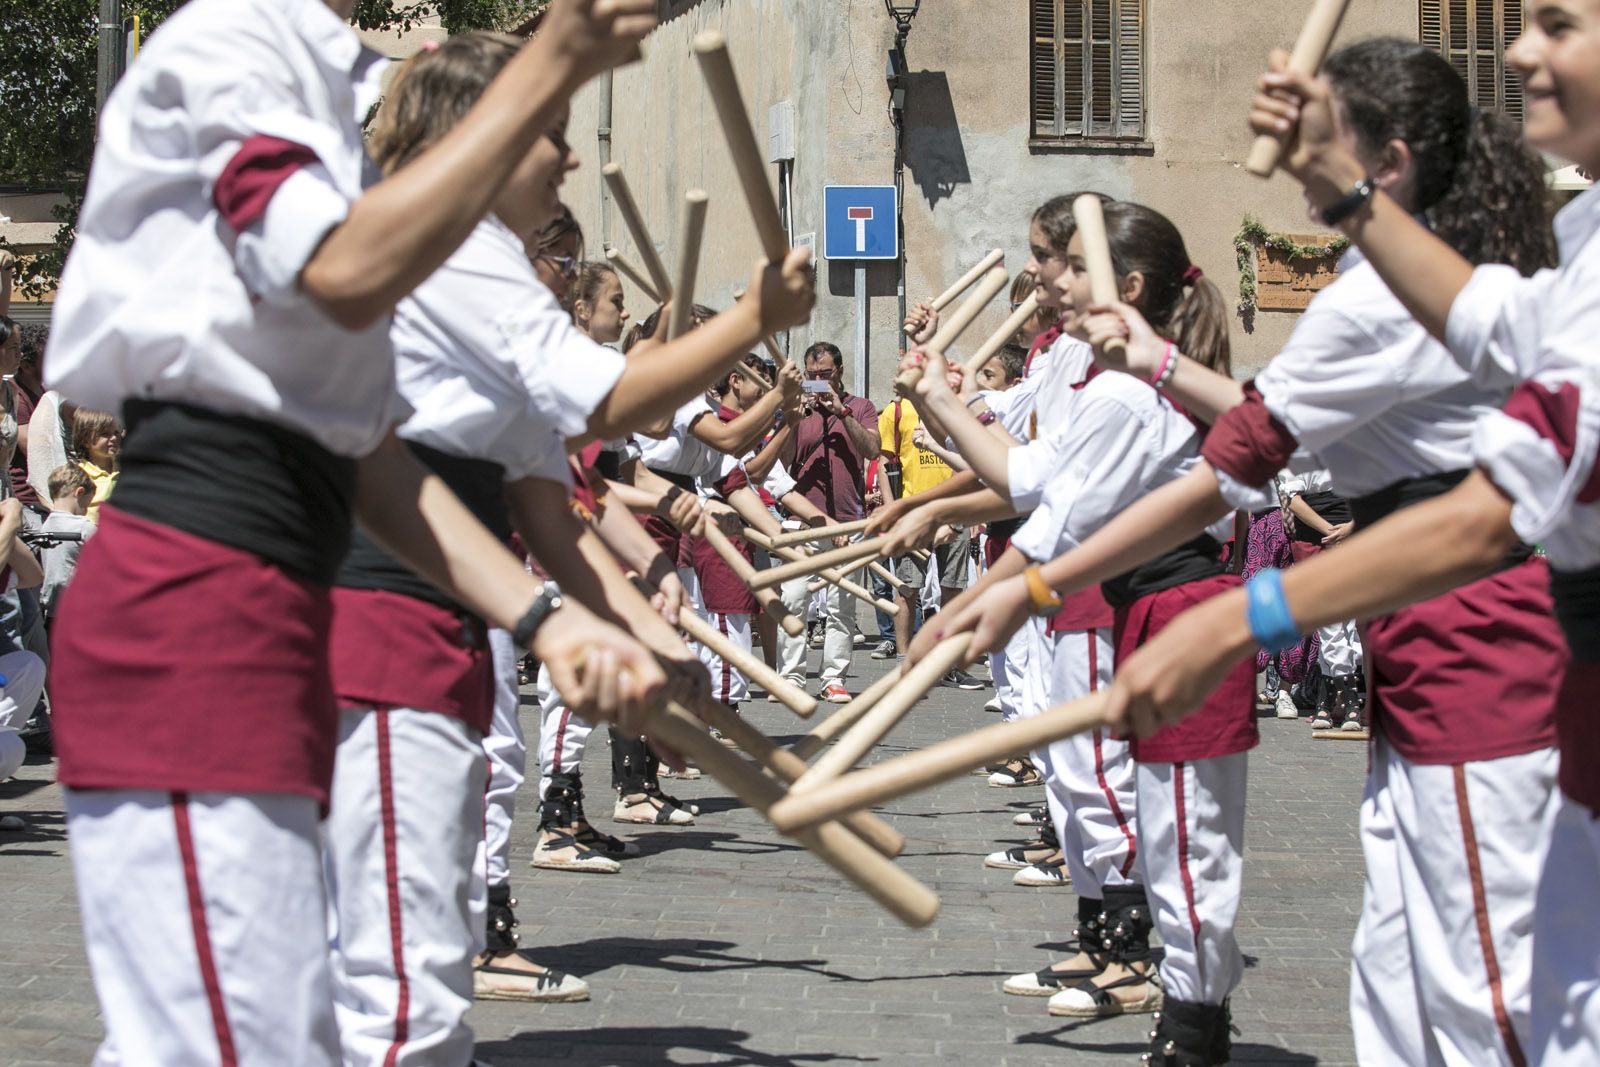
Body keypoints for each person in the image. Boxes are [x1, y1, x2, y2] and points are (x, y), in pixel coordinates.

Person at [42, 0, 668, 1062]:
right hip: (190, 603)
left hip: (279, 616)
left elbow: (375, 463)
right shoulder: (231, 40)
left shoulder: (329, 87)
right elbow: (335, 267)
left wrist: (545, 619)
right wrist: (550, 59)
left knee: (291, 1031)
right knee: (230, 1040)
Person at [945, 39, 1562, 1067]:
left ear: (1387, 162)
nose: (1277, 140)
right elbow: (1258, 430)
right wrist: (1154, 360)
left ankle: (1186, 1011)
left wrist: (1046, 579)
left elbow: (1238, 461)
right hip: (1431, 644)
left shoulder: (1391, 291)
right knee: (1400, 970)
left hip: (1474, 647)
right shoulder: (1420, 276)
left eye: (1319, 125)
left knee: (1471, 985)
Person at [903, 199, 1252, 1057]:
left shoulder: (1132, 393)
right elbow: (1036, 481)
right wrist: (942, 399)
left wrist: (984, 601)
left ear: (1126, 289)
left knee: (1184, 842)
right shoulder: (1116, 386)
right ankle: (1185, 1018)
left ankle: (1189, 1024)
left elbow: (1054, 518)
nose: (1048, 280)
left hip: (1180, 614)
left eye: (1068, 265)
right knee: (1168, 831)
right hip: (1150, 608)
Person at [780, 341, 879, 701]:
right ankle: (791, 677)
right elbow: (784, 463)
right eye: (812, 376)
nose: (819, 381)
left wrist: (842, 413)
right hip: (802, 520)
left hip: (848, 521)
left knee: (841, 606)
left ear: (839, 372)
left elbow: (872, 449)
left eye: (825, 374)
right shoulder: (798, 410)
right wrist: (793, 421)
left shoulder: (861, 407)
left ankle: (833, 677)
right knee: (793, 599)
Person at [876, 366, 982, 689]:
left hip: (955, 508)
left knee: (953, 587)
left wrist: (965, 512)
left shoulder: (953, 405)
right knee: (907, 587)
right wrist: (892, 509)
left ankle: (947, 664)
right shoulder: (896, 411)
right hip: (914, 511)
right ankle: (904, 663)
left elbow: (969, 457)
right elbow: (884, 462)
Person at [38, 465, 97, 619]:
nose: (85, 511)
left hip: (49, 604)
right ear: (79, 492)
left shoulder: (45, 525)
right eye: (86, 505)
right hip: (78, 607)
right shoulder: (84, 527)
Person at [69, 410, 121, 524]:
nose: (114, 438)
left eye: (116, 432)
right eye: (105, 434)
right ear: (85, 440)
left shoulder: (127, 470)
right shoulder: (77, 475)